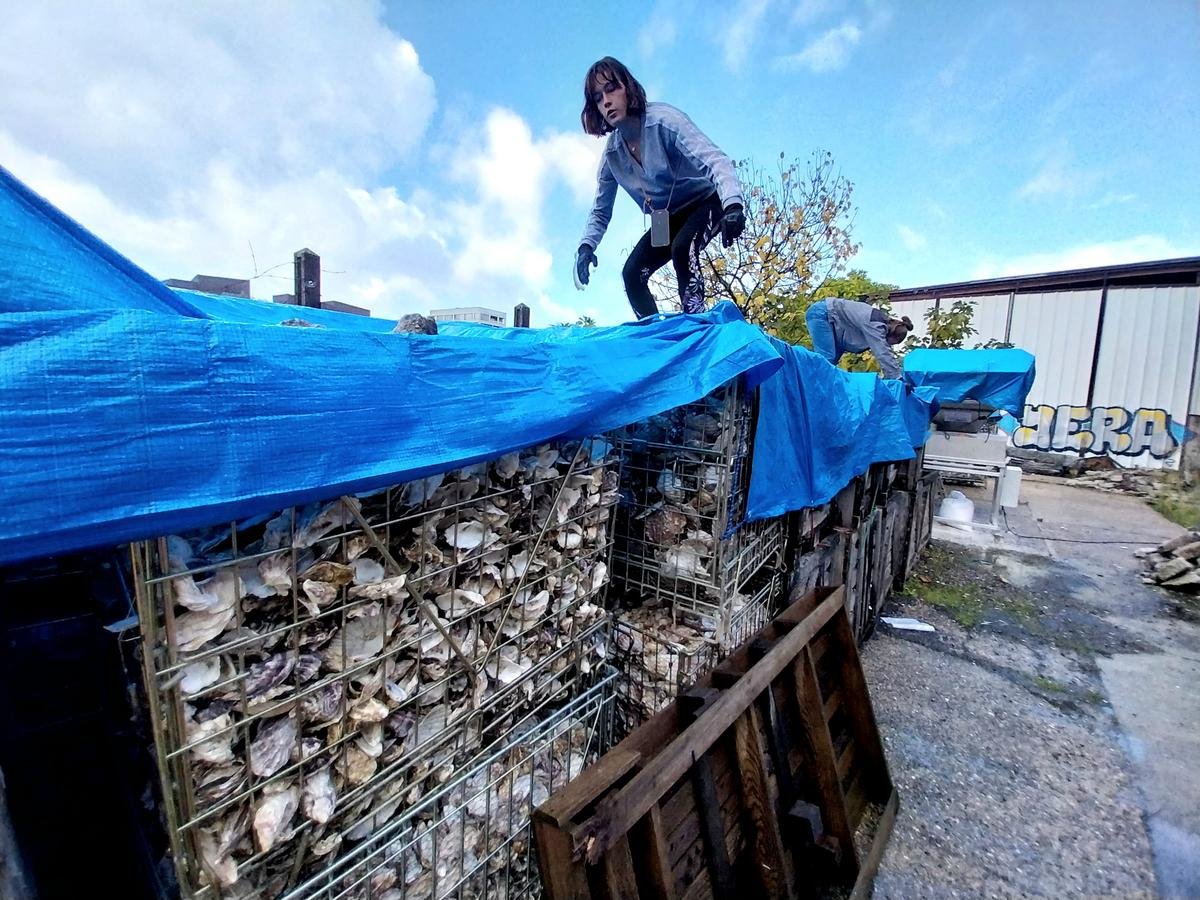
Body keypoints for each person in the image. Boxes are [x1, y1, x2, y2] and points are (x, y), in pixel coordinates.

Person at [573, 56, 745, 319]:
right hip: (668, 216)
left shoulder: (664, 121)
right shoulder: (612, 156)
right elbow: (600, 210)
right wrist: (586, 247)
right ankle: (655, 336)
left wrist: (733, 204)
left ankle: (696, 324)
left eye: (611, 89)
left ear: (627, 88)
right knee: (632, 273)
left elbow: (715, 160)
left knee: (682, 247)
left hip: (707, 201)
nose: (606, 101)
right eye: (598, 98)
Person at [805, 297, 913, 379]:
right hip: (822, 314)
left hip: (834, 325)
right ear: (891, 334)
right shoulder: (875, 324)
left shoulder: (876, 323)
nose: (887, 344)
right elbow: (882, 351)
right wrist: (897, 377)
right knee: (826, 361)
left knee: (829, 368)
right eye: (889, 343)